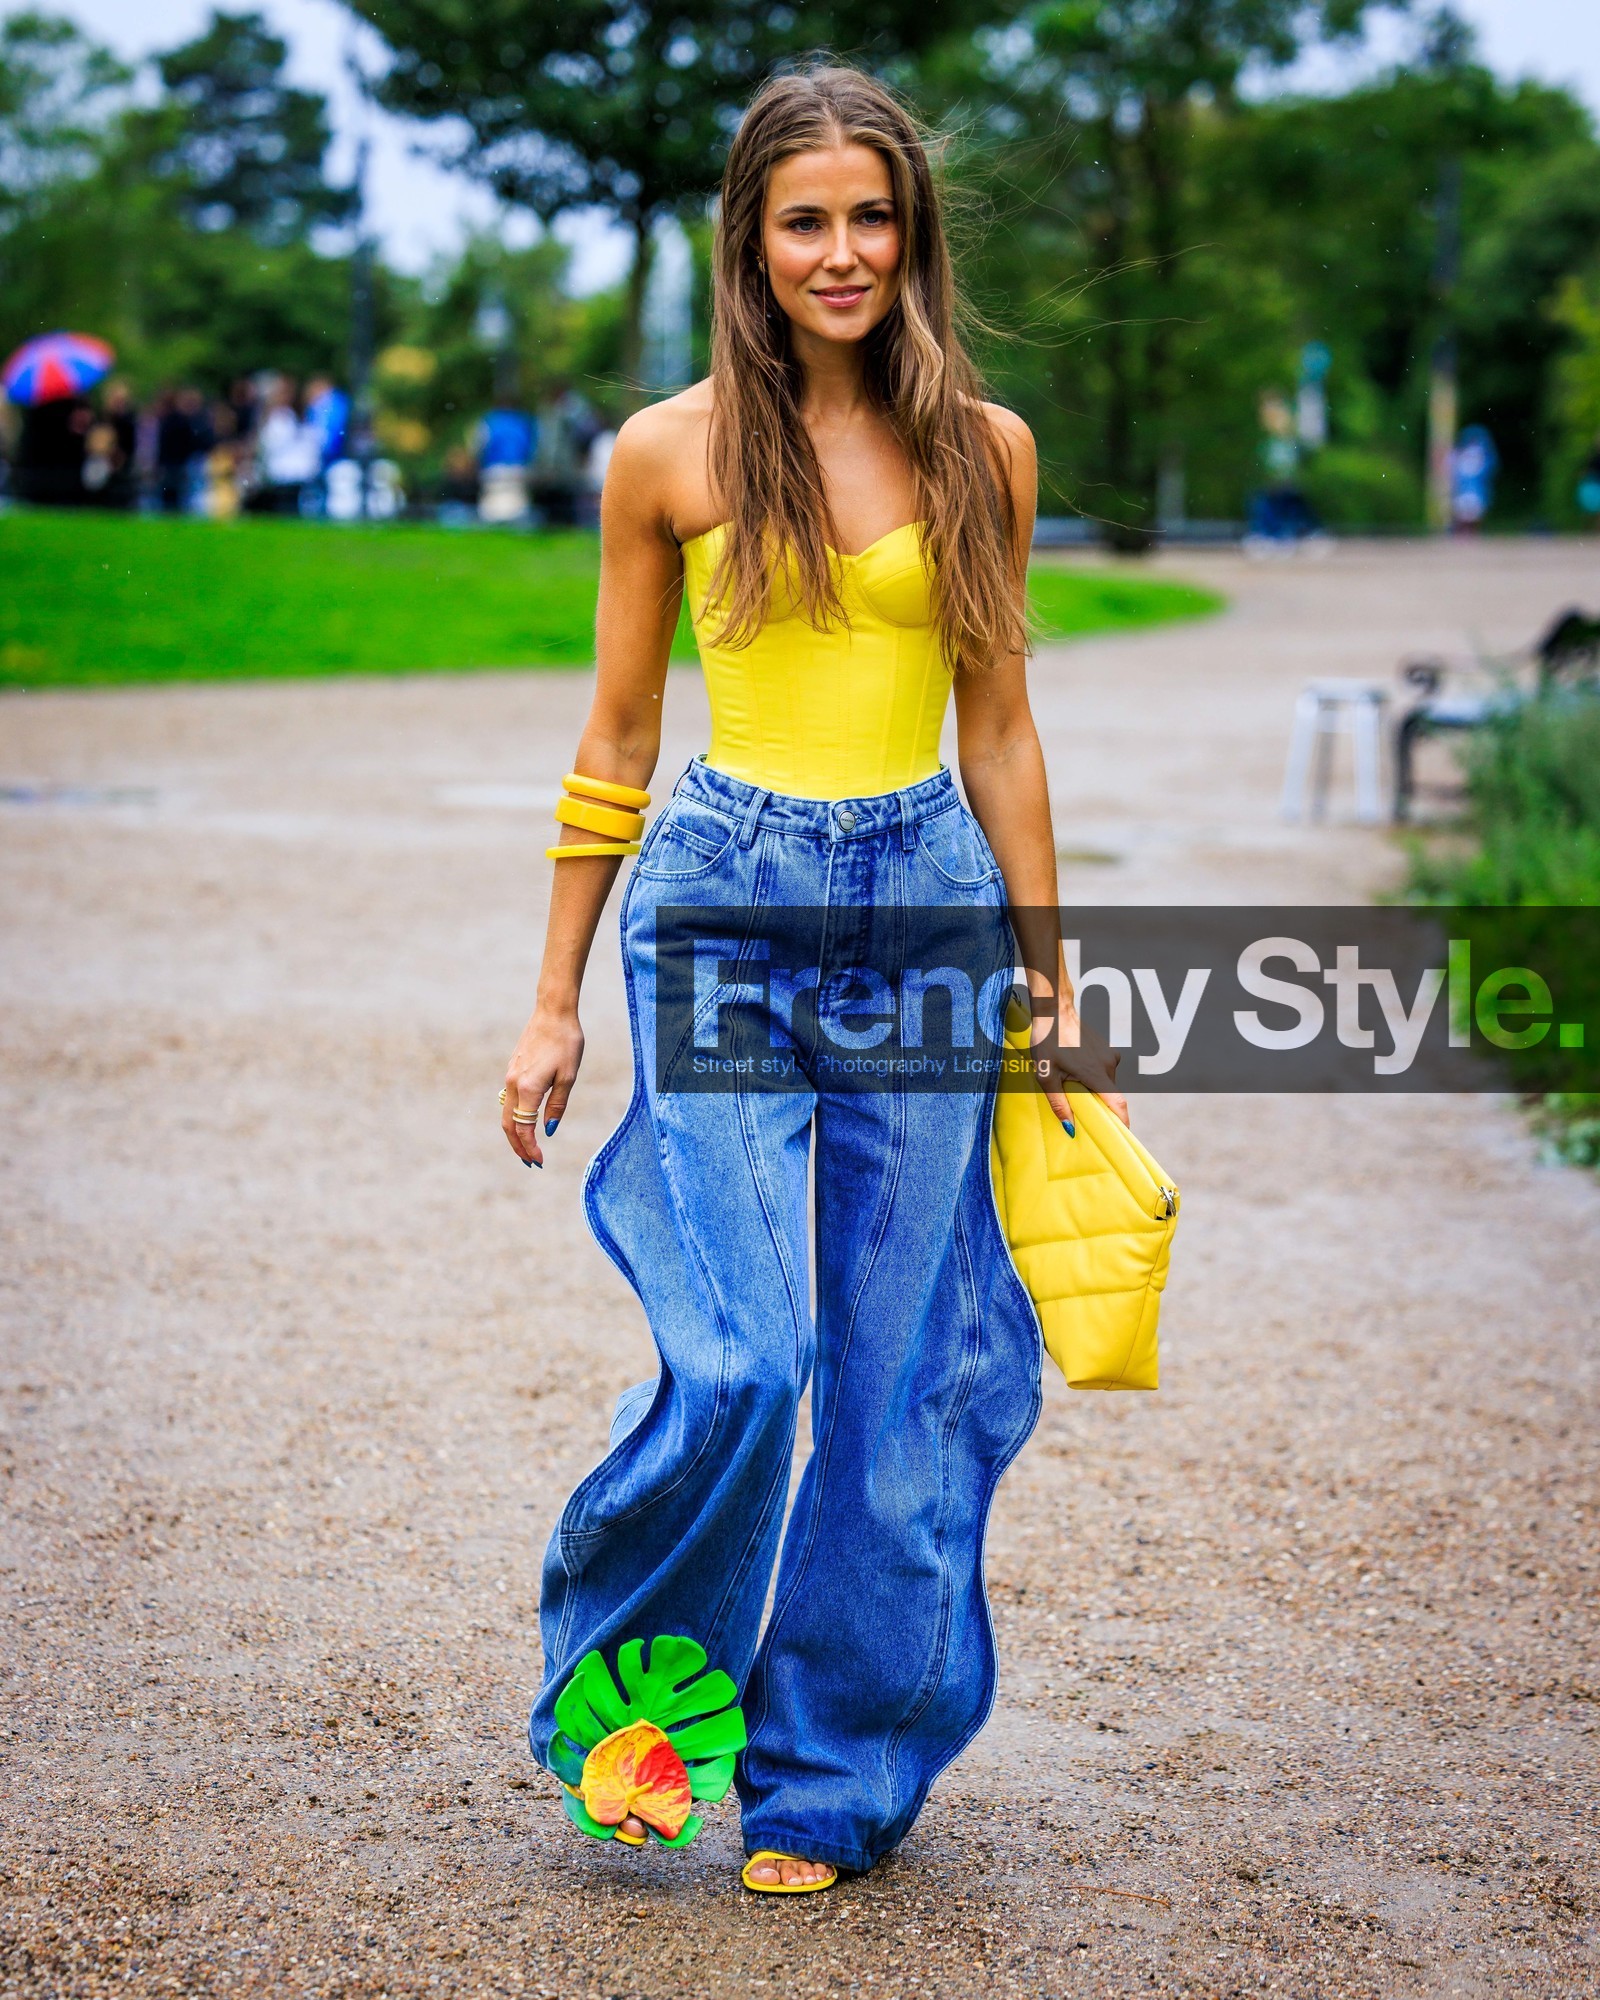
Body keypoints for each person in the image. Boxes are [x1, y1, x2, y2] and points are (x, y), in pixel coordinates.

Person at [501, 62, 1126, 1893]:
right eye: (805, 221)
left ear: (909, 235)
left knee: (895, 1370)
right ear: (751, 243)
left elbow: (1002, 730)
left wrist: (1051, 976)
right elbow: (617, 734)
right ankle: (640, 1707)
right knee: (746, 1355)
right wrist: (555, 999)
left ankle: (829, 1781)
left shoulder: (980, 451)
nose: (841, 252)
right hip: (715, 905)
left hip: (925, 908)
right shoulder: (670, 451)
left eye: (870, 217)